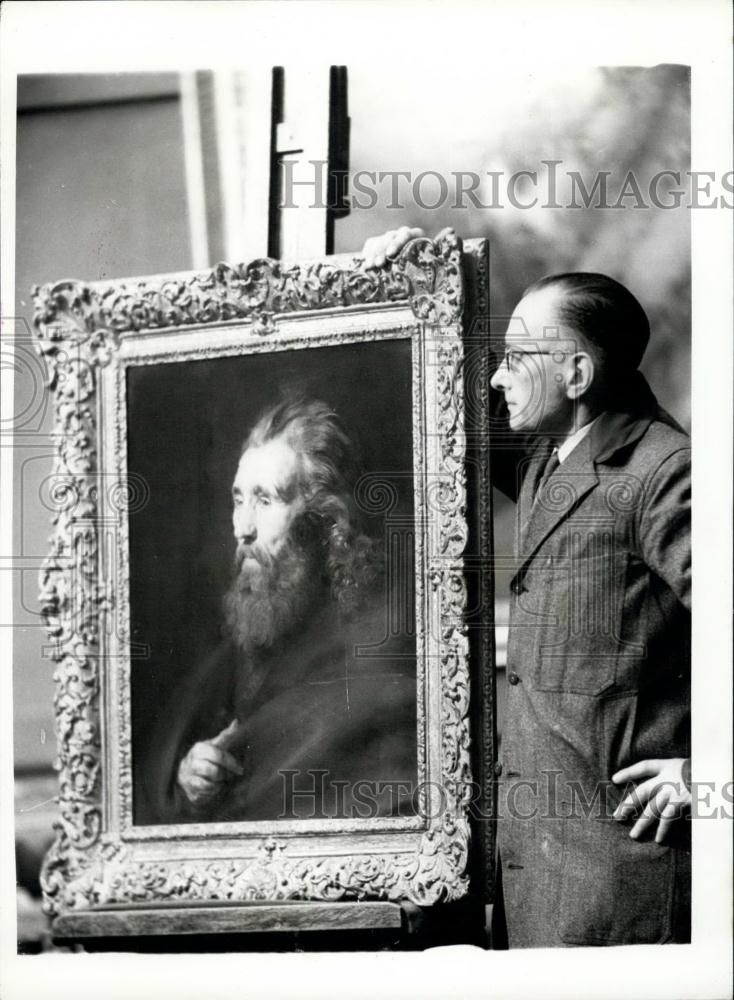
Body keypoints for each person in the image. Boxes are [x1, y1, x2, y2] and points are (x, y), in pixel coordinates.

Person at [363, 228, 691, 947]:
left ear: (575, 374)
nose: (496, 378)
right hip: (539, 887)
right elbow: (448, 392)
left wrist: (708, 772)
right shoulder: (550, 454)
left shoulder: (665, 473)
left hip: (620, 897)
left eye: (516, 359)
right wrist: (410, 282)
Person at [142, 396, 417, 824]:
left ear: (325, 520)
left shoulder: (373, 657)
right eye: (239, 500)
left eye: (265, 500)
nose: (243, 528)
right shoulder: (235, 655)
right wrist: (191, 779)